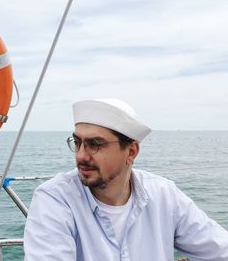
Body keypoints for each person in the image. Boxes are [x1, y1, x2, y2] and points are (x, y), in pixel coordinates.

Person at [23, 99, 228, 261]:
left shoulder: (164, 195)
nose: (81, 155)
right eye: (77, 142)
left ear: (131, 151)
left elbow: (219, 249)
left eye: (95, 144)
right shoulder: (55, 199)